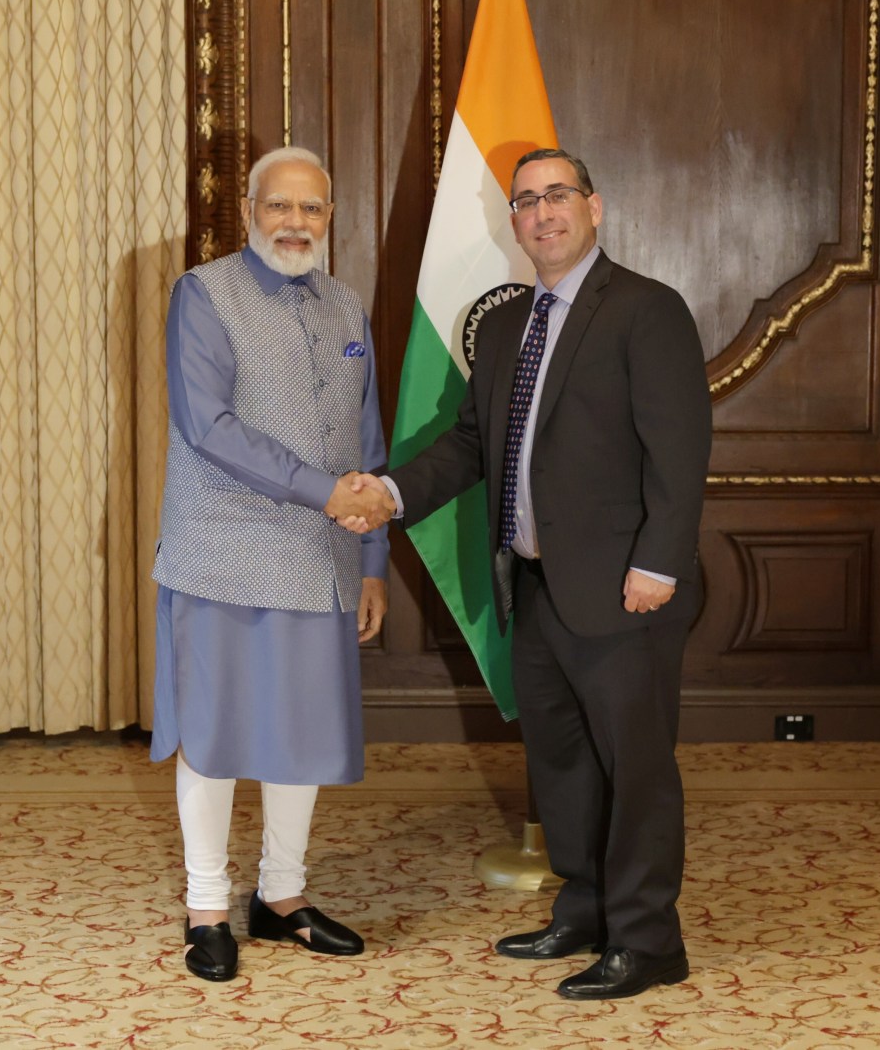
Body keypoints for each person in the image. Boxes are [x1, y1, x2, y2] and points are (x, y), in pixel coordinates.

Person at [352, 148, 712, 1000]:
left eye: (558, 196)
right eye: (524, 201)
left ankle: (649, 940)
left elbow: (680, 449)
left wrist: (657, 563)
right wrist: (391, 492)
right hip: (538, 586)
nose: (542, 213)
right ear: (510, 222)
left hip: (627, 589)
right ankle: (585, 911)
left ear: (594, 207)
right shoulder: (512, 321)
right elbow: (478, 444)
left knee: (636, 771)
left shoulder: (646, 310)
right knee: (561, 766)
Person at [150, 145, 395, 982]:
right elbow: (207, 427)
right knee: (214, 738)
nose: (297, 223)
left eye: (313, 209)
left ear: (331, 216)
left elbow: (367, 442)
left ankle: (281, 897)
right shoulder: (203, 293)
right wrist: (326, 492)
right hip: (222, 551)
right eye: (280, 206)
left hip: (321, 556)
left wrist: (372, 557)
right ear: (249, 210)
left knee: (301, 733)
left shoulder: (345, 303)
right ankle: (207, 907)